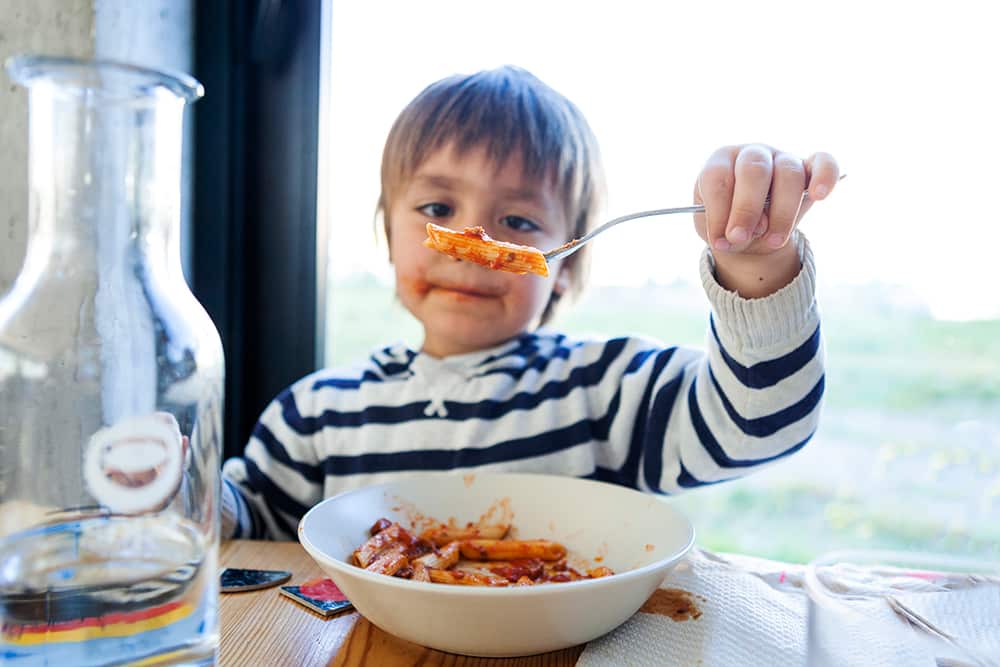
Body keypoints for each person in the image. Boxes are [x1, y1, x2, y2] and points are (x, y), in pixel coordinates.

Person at [220, 65, 839, 540]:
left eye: (517, 219)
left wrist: (756, 264)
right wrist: (162, 479)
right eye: (438, 210)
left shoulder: (603, 390)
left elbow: (758, 426)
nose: (473, 245)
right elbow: (242, 530)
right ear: (388, 234)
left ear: (564, 268)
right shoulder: (316, 415)